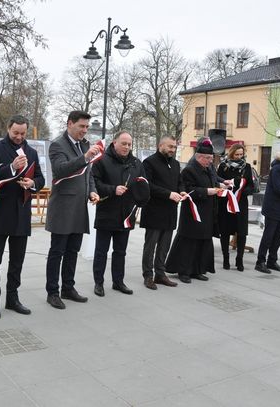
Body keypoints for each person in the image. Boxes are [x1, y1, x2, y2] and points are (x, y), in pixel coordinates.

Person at [0, 115, 45, 319]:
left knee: (17, 260)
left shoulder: (32, 152)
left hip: (22, 211)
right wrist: (12, 167)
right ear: (8, 129)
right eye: (15, 132)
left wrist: (32, 183)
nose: (19, 137)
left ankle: (12, 297)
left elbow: (41, 178)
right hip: (0, 212)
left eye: (23, 133)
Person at [45, 110, 100, 309]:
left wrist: (92, 192)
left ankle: (68, 287)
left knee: (73, 251)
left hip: (79, 208)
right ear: (70, 124)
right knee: (57, 251)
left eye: (87, 127)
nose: (85, 131)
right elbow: (61, 169)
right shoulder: (58, 145)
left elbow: (89, 175)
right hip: (62, 207)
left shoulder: (84, 145)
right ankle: (52, 291)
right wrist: (84, 157)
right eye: (81, 127)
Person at [91, 131, 149, 296]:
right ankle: (99, 283)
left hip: (126, 214)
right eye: (123, 143)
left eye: (129, 144)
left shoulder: (136, 163)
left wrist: (139, 202)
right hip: (107, 212)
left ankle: (118, 282)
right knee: (101, 251)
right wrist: (112, 189)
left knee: (120, 251)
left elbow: (143, 184)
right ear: (114, 142)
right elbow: (94, 182)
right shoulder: (102, 160)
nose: (127, 147)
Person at [165, 138, 222, 283]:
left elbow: (214, 182)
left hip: (207, 212)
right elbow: (187, 190)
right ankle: (183, 271)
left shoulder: (208, 170)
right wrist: (207, 191)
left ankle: (197, 270)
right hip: (192, 213)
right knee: (189, 244)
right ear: (199, 157)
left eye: (211, 158)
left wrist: (221, 186)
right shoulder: (189, 170)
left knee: (202, 243)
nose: (210, 161)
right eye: (208, 158)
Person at [140, 136, 183, 290]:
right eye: (170, 146)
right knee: (150, 246)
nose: (172, 149)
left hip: (170, 211)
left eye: (174, 147)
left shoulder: (176, 164)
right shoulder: (149, 163)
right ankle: (148, 275)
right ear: (160, 145)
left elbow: (180, 181)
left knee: (164, 246)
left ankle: (160, 273)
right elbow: (148, 185)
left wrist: (182, 191)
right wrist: (169, 194)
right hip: (154, 210)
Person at [216, 144, 254, 271]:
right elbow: (217, 182)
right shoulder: (223, 166)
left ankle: (239, 260)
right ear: (231, 153)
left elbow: (251, 185)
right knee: (225, 231)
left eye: (241, 154)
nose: (238, 157)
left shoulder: (247, 167)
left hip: (240, 203)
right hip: (226, 202)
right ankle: (226, 259)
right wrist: (226, 189)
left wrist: (243, 191)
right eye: (236, 154)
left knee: (242, 232)